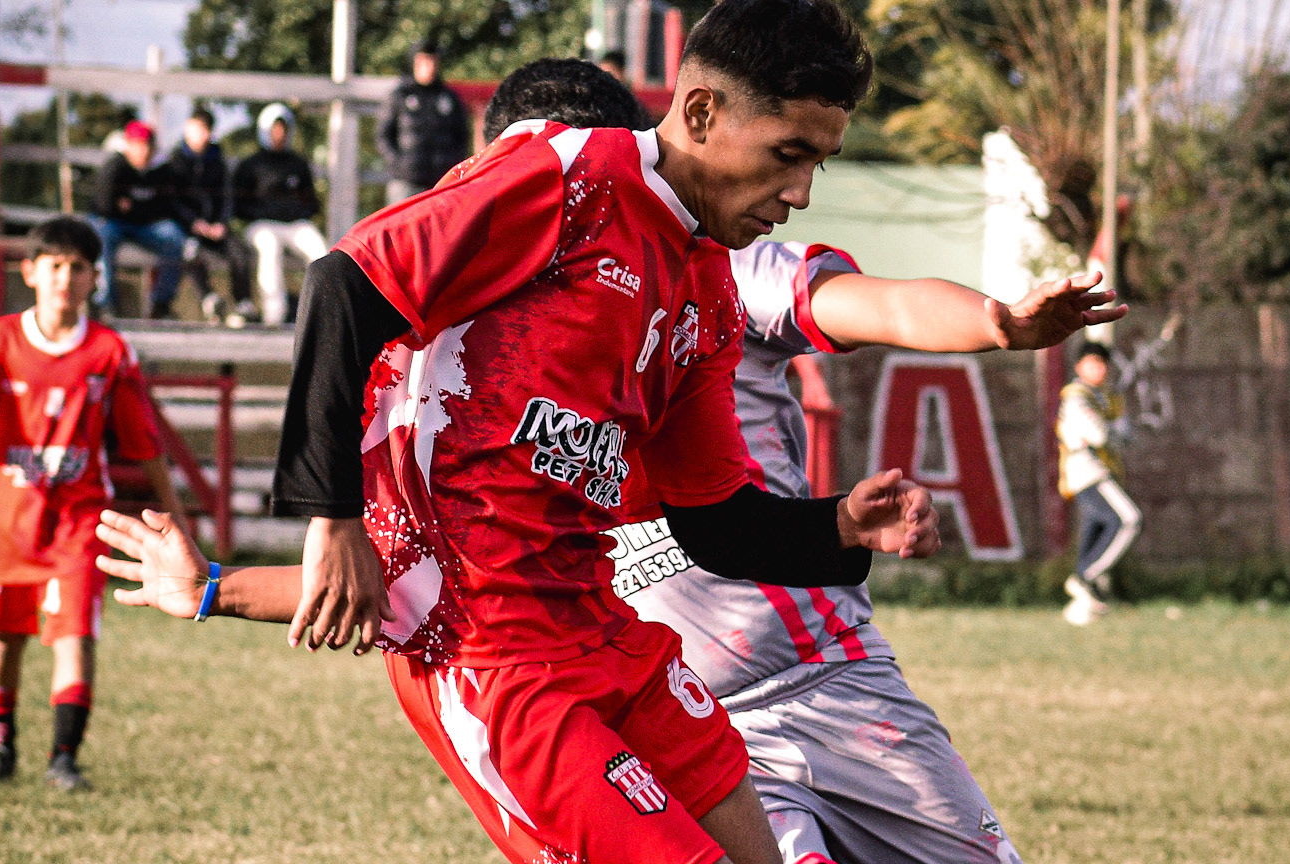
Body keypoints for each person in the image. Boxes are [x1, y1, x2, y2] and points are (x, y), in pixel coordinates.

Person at [102, 7, 935, 861]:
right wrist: (332, 520)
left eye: (817, 163)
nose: (801, 193)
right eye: (787, 155)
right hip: (494, 668)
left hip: (607, 632)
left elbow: (714, 518)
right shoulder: (570, 177)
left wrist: (839, 525)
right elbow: (342, 285)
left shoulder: (708, 292)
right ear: (700, 112)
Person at [611, 239, 1122, 864]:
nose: (795, 196)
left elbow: (889, 306)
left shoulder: (726, 275)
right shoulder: (524, 327)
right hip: (689, 724)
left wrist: (998, 324)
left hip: (834, 679)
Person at [0, 217, 185, 789]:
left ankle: (64, 759)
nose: (65, 279)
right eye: (55, 266)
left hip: (79, 517)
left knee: (76, 633)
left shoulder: (109, 352)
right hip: (8, 518)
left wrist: (173, 510)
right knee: (3, 636)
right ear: (30, 272)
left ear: (95, 277)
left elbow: (144, 439)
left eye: (78, 268)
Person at [1057, 340, 1141, 626]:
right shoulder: (1077, 397)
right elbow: (1100, 435)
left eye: (1103, 363)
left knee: (1095, 530)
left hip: (1104, 469)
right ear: (1079, 366)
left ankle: (1081, 609)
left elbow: (1125, 435)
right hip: (1087, 471)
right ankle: (1085, 576)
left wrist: (1111, 430)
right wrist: (1112, 430)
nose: (1099, 369)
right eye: (1092, 363)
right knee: (1128, 520)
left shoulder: (1106, 397)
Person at [232, 103, 327, 325]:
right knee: (270, 247)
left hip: (294, 225)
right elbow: (239, 206)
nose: (279, 134)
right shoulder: (251, 165)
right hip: (262, 225)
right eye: (274, 129)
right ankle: (274, 315)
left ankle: (322, 314)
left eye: (283, 129)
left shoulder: (298, 164)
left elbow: (311, 202)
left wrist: (294, 211)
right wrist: (267, 211)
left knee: (320, 250)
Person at [165, 107, 257, 325]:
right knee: (189, 252)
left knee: (238, 251)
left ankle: (243, 303)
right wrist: (193, 223)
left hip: (216, 228)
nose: (202, 135)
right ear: (187, 128)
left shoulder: (218, 162)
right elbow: (172, 201)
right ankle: (209, 299)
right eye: (198, 129)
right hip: (188, 229)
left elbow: (227, 197)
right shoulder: (175, 162)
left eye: (206, 130)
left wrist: (221, 223)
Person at [89, 120, 186, 318]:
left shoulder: (162, 170)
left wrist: (131, 206)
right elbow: (104, 206)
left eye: (147, 145)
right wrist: (141, 208)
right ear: (128, 145)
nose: (143, 151)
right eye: (137, 145)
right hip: (113, 223)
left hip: (145, 226)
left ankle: (161, 304)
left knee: (175, 237)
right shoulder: (114, 166)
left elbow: (166, 207)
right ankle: (105, 304)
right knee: (101, 236)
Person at [378, 40, 472, 205]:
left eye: (433, 61)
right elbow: (384, 135)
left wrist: (452, 164)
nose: (429, 67)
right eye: (424, 62)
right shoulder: (399, 96)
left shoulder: (449, 98)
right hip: (406, 182)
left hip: (441, 182)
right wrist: (400, 165)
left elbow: (462, 136)